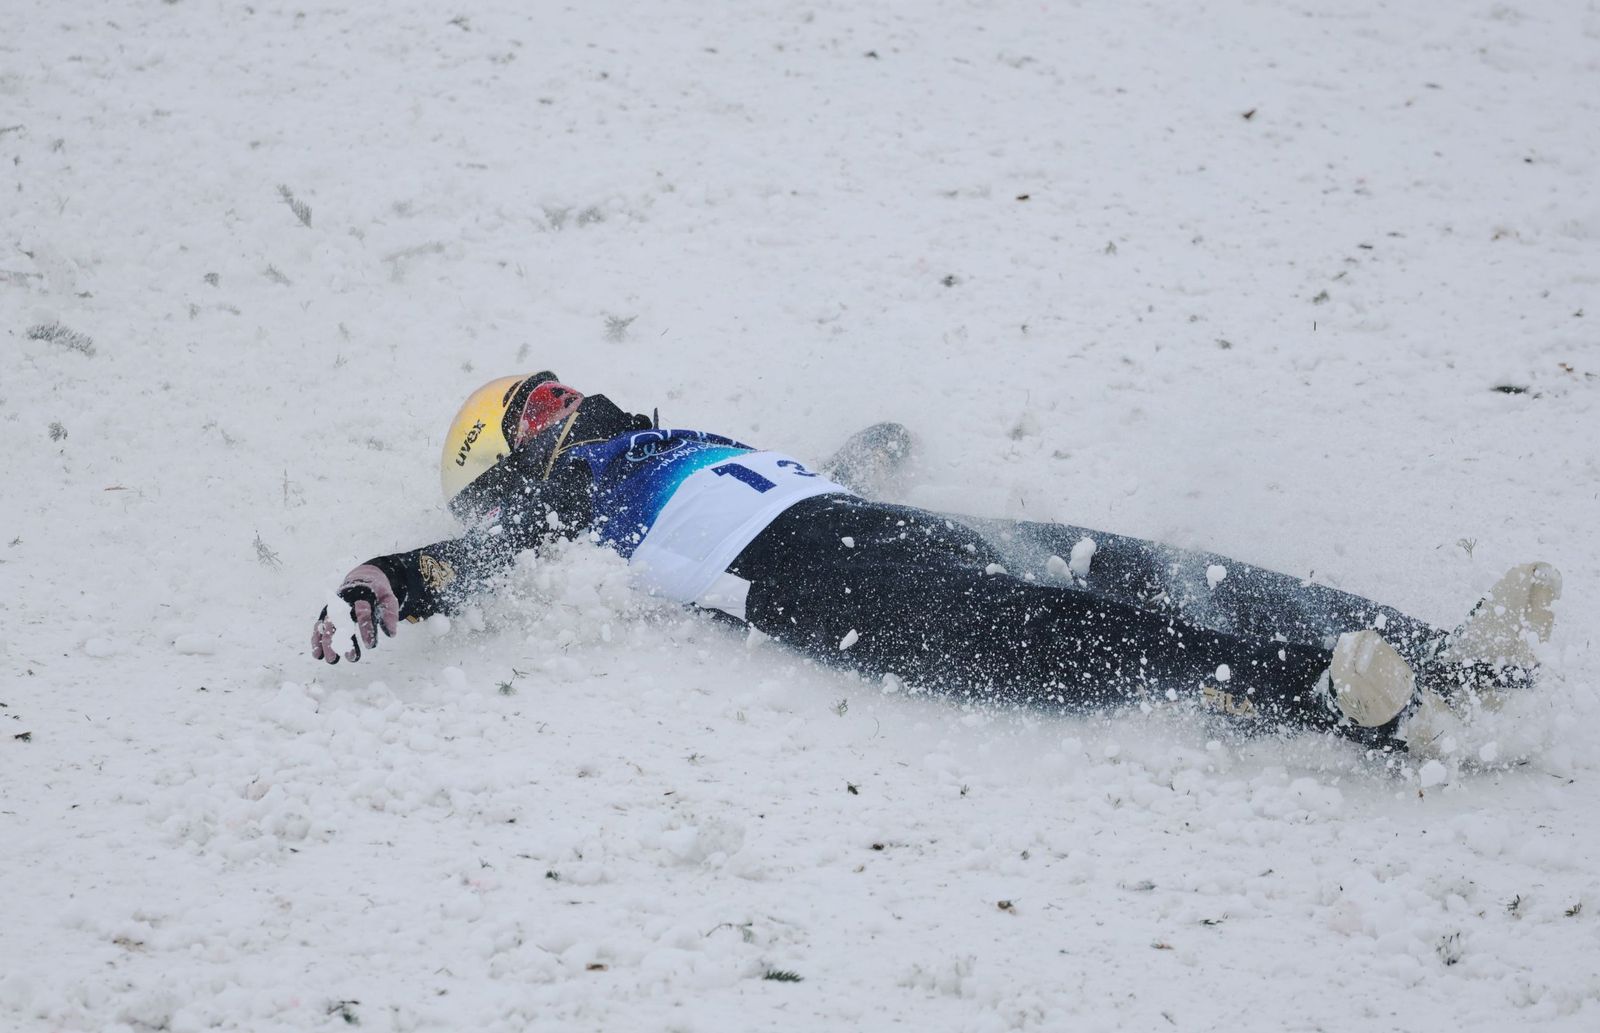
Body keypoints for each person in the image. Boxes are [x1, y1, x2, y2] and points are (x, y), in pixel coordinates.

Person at [311, 372, 1561, 755]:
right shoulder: (565, 507)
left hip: (880, 537)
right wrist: (375, 591)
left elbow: (812, 472)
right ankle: (1339, 695)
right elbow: (433, 572)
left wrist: (868, 455)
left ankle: (1448, 654)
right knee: (1085, 630)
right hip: (846, 592)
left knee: (1151, 570)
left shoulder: (663, 445)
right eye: (538, 411)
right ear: (511, 468)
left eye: (559, 387)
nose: (574, 401)